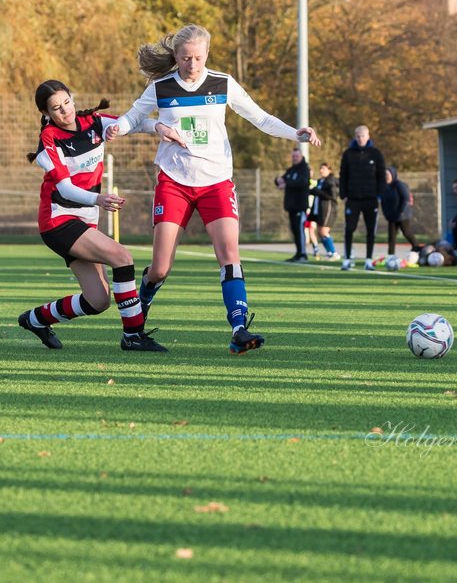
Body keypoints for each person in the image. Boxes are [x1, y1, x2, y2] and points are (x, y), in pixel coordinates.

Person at [107, 24, 320, 354]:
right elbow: (134, 117)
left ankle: (238, 329)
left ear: (207, 55)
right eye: (185, 58)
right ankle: (138, 316)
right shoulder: (162, 86)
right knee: (160, 267)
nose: (192, 65)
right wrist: (118, 128)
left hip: (217, 183)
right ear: (176, 57)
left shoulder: (222, 83)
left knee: (229, 257)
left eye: (198, 57)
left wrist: (296, 133)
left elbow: (260, 118)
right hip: (174, 183)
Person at [18, 80, 167, 352]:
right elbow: (64, 188)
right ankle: (133, 335)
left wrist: (158, 127)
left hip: (85, 220)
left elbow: (131, 123)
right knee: (122, 257)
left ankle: (36, 319)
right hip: (59, 220)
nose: (65, 111)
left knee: (98, 300)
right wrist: (99, 199)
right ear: (46, 114)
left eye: (67, 102)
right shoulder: (49, 140)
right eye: (56, 108)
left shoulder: (94, 122)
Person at [338, 125, 385, 270]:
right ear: (355, 137)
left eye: (363, 136)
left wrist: (379, 195)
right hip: (352, 199)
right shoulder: (348, 154)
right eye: (358, 136)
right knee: (349, 229)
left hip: (371, 199)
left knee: (371, 230)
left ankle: (369, 260)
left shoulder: (376, 154)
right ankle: (347, 259)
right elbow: (343, 175)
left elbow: (381, 176)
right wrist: (344, 195)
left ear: (368, 136)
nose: (360, 139)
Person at [275, 147, 312, 262]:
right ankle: (298, 252)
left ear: (301, 156)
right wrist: (278, 180)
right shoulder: (291, 170)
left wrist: (287, 184)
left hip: (300, 206)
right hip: (291, 206)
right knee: (295, 230)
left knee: (300, 230)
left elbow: (302, 182)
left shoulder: (305, 169)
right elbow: (282, 180)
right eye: (293, 156)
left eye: (297, 156)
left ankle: (303, 254)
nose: (295, 158)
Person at [380, 166, 423, 255]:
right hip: (391, 216)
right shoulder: (384, 187)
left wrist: (400, 211)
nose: (386, 176)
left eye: (387, 174)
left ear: (392, 175)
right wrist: (386, 213)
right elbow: (383, 201)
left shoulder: (399, 185)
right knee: (391, 236)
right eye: (384, 175)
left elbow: (405, 198)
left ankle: (417, 248)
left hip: (402, 215)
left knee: (406, 232)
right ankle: (390, 255)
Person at [309, 162, 341, 260]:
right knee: (319, 231)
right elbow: (316, 192)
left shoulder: (331, 181)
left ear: (329, 170)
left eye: (323, 168)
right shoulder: (320, 181)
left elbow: (331, 196)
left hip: (328, 209)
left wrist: (316, 191)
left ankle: (334, 253)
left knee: (323, 231)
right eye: (320, 168)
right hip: (319, 209)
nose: (321, 170)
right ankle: (330, 252)